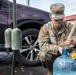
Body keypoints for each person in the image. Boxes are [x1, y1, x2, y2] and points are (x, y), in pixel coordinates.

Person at [38, 3, 76, 75]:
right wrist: (58, 48)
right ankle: (51, 70)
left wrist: (74, 42)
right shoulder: (45, 28)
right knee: (43, 55)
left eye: (61, 19)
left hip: (69, 54)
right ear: (51, 17)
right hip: (53, 54)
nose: (59, 21)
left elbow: (75, 37)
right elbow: (42, 45)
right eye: (56, 19)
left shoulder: (70, 26)